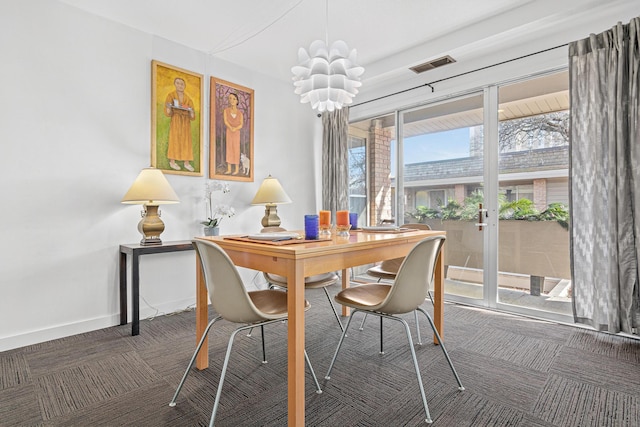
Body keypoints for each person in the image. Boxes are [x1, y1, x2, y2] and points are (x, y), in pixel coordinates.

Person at [164, 77, 195, 172]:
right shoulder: (171, 95)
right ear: (175, 84)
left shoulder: (188, 99)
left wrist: (191, 112)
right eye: (178, 83)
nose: (180, 85)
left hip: (185, 121)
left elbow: (192, 115)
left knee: (186, 141)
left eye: (182, 84)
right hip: (176, 119)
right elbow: (167, 111)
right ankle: (172, 161)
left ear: (184, 86)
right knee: (175, 139)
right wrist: (169, 108)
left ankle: (186, 163)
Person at [223, 92, 244, 175]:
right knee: (229, 149)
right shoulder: (226, 111)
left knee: (236, 149)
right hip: (229, 131)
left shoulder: (240, 113)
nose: (232, 100)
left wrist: (235, 128)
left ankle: (236, 169)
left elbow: (241, 124)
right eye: (230, 98)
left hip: (236, 133)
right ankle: (229, 169)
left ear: (237, 101)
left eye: (234, 99)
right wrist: (230, 127)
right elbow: (225, 121)